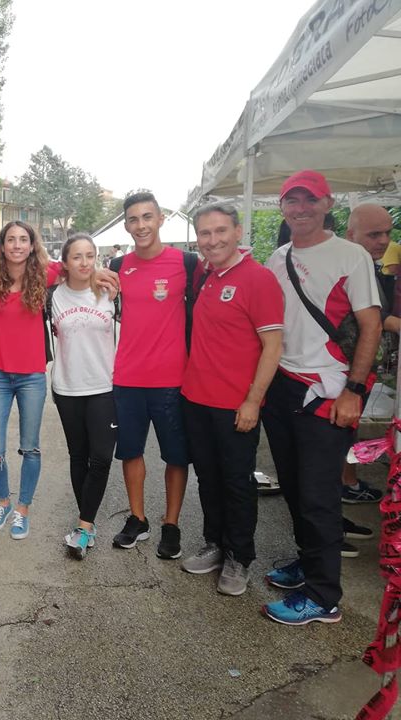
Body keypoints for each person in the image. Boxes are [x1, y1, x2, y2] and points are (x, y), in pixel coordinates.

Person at [261, 170, 381, 625]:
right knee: (294, 487)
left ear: (327, 204)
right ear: (283, 208)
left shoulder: (350, 256)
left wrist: (354, 390)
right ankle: (309, 563)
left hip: (327, 389)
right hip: (282, 386)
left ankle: (324, 596)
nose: (301, 209)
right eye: (292, 201)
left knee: (319, 495)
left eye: (310, 200)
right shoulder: (278, 257)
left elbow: (370, 326)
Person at [180, 204, 283, 596]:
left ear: (238, 232)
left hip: (235, 405)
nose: (213, 240)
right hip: (196, 399)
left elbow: (273, 346)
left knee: (237, 482)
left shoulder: (258, 279)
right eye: (205, 233)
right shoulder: (207, 275)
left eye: (221, 230)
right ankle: (216, 544)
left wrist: (253, 401)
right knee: (208, 478)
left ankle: (239, 556)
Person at [110, 191, 193, 560]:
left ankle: (171, 524)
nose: (141, 225)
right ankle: (138, 518)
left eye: (147, 217)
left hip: (172, 378)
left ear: (160, 219)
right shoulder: (117, 266)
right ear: (126, 225)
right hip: (128, 377)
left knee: (176, 455)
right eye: (133, 219)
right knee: (131, 452)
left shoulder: (186, 263)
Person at [0, 221, 59, 540]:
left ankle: (23, 508)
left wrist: (103, 277)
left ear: (32, 245)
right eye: (10, 239)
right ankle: (3, 502)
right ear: (1, 246)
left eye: (23, 239)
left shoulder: (45, 274)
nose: (17, 245)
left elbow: (79, 267)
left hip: (31, 376)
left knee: (30, 448)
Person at [50, 233, 117, 557]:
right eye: (76, 256)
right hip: (68, 386)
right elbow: (32, 264)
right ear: (64, 262)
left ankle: (83, 525)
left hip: (104, 386)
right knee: (78, 456)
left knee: (101, 458)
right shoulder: (54, 296)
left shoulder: (109, 292)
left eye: (90, 255)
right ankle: (86, 525)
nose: (84, 262)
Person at [340, 204, 397, 549]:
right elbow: (378, 320)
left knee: (345, 433)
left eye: (388, 233)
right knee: (337, 436)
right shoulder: (349, 266)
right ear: (351, 234)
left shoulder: (366, 265)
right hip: (343, 372)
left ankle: (346, 485)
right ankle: (343, 491)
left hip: (357, 371)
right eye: (374, 234)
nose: (384, 241)